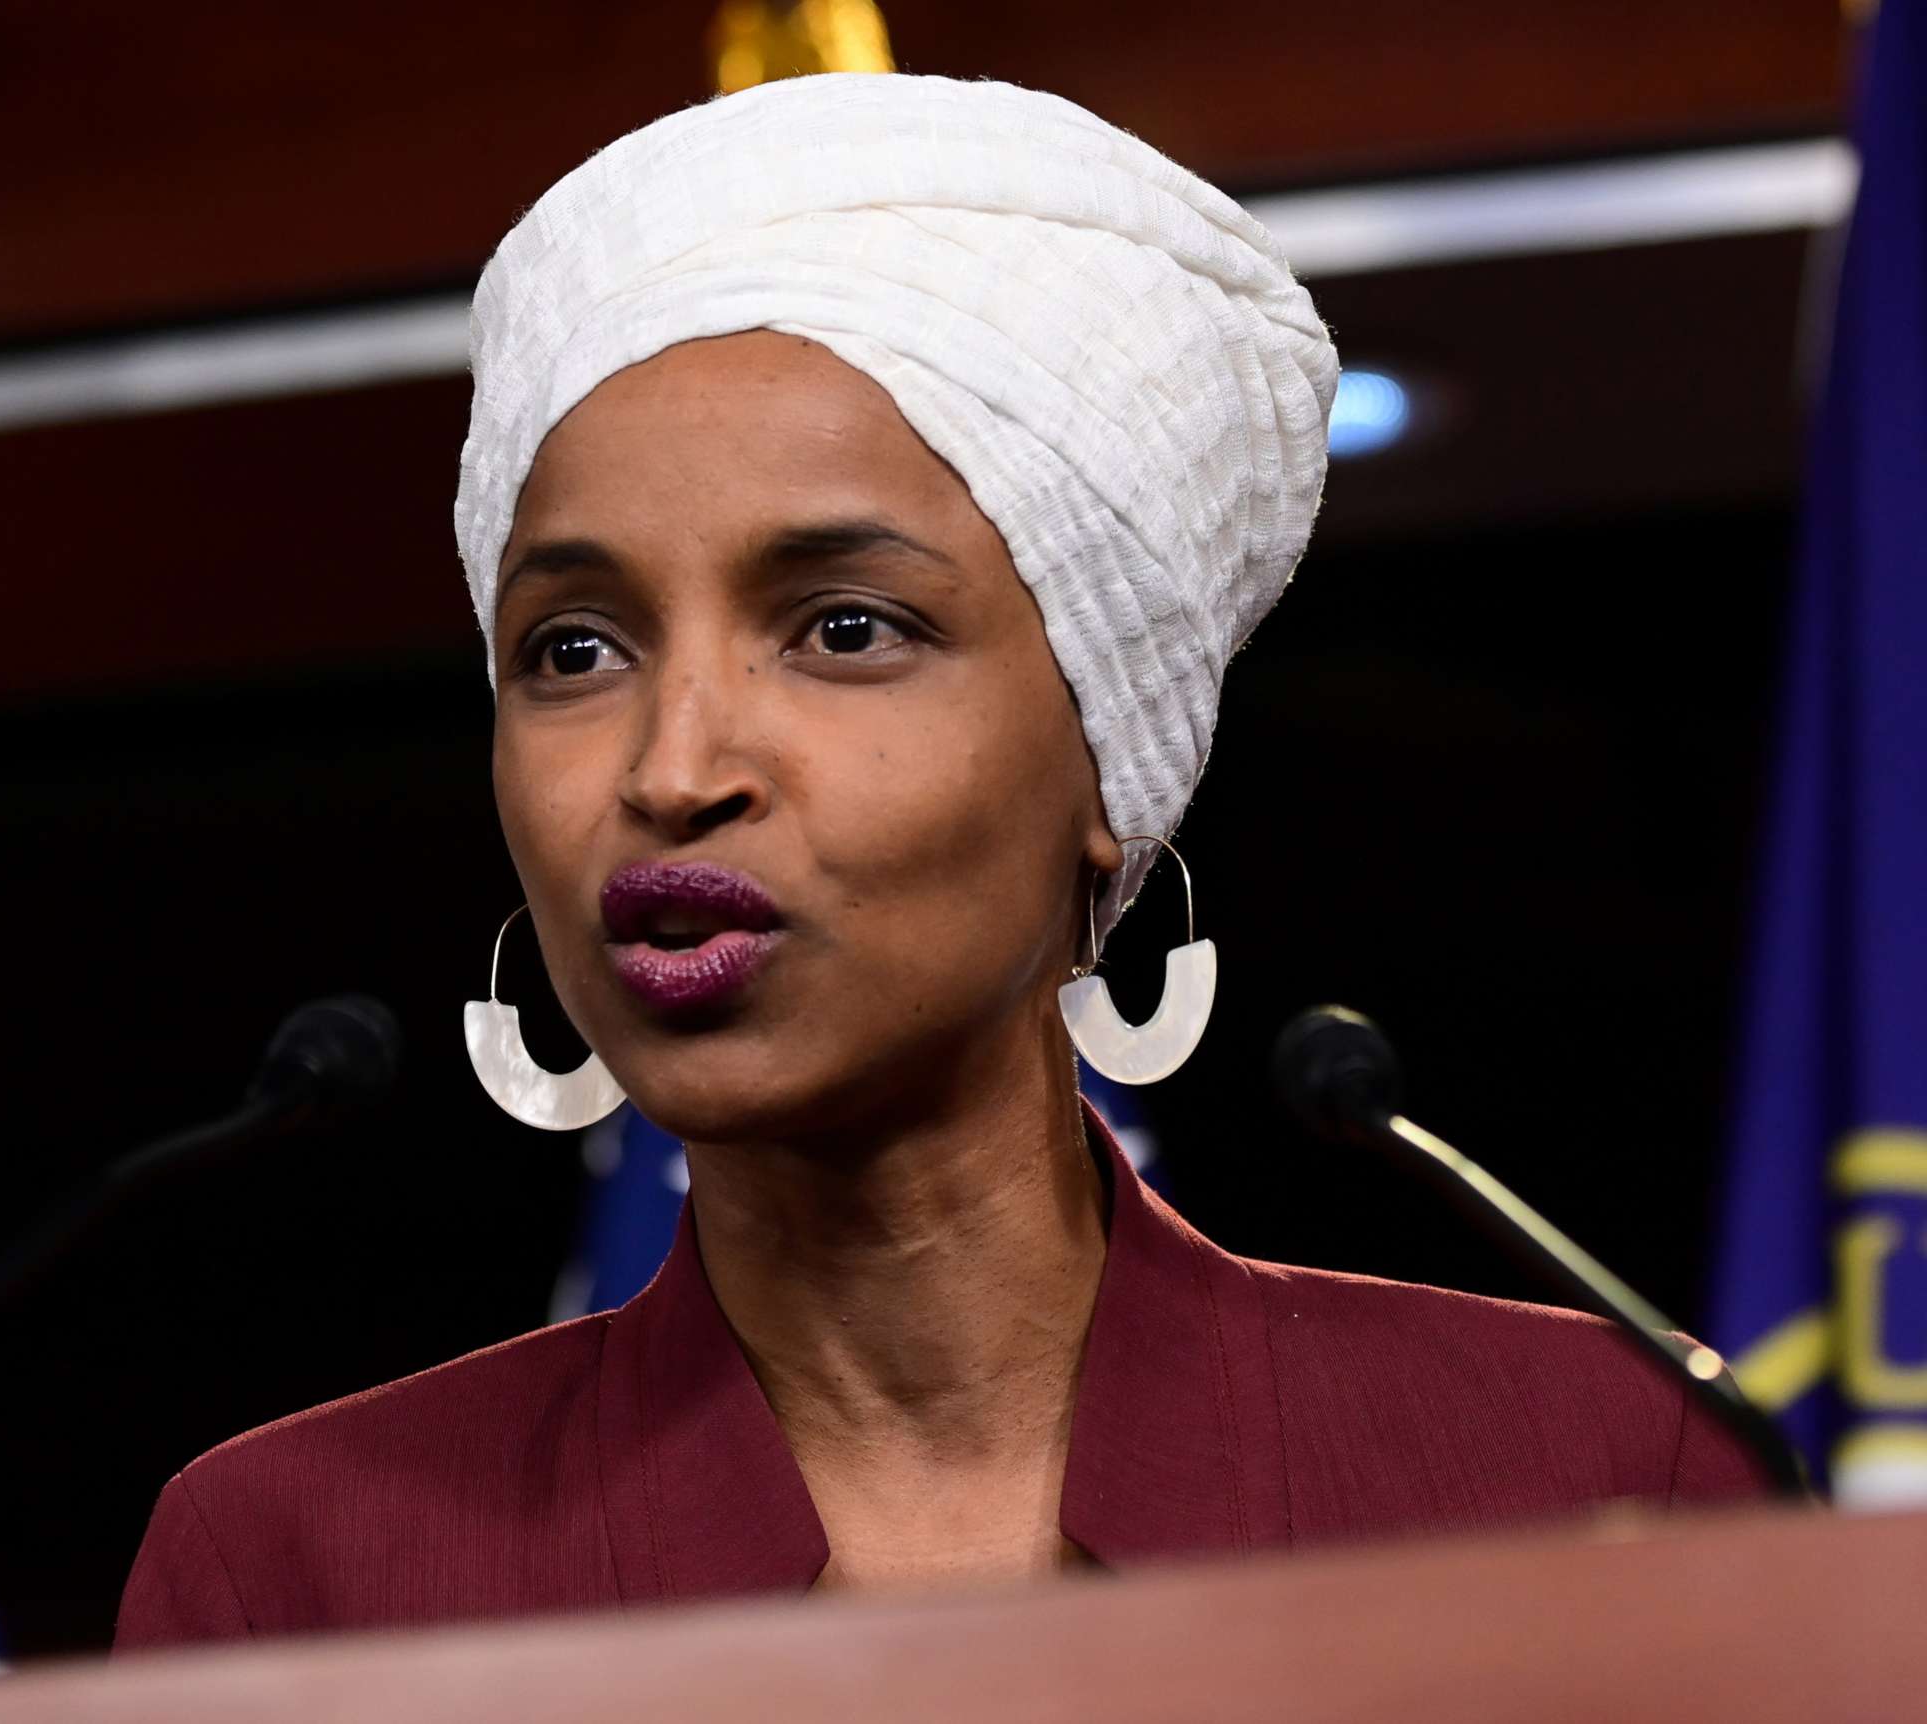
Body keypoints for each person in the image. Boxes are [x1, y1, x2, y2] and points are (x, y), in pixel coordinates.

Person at [115, 70, 1763, 1648]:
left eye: (844, 627)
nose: (673, 770)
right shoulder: (304, 1562)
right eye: (573, 650)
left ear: (1112, 757)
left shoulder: (1588, 1477)